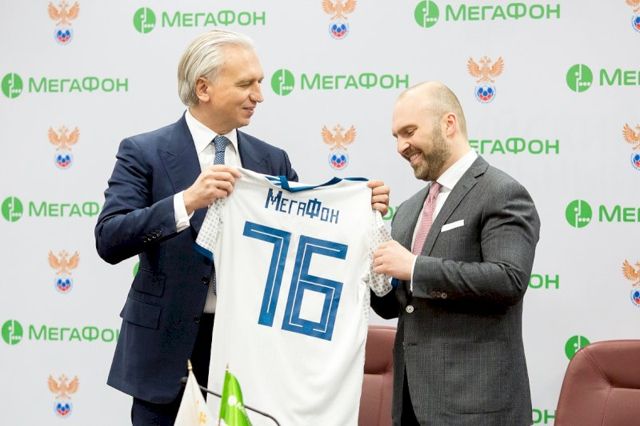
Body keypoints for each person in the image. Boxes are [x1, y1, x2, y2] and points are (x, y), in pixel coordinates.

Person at [94, 29, 389, 425]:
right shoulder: (143, 152)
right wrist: (186, 201)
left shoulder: (271, 160)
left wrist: (357, 211)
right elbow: (110, 238)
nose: (259, 95)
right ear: (204, 88)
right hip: (166, 356)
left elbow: (301, 238)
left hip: (251, 356)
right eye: (246, 84)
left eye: (260, 83)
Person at [371, 81, 540, 426]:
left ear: (448, 124)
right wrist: (365, 238)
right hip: (411, 408)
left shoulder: (502, 192)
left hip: (477, 410)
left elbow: (509, 279)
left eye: (409, 132)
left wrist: (415, 267)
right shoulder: (408, 210)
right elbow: (391, 306)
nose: (401, 146)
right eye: (396, 137)